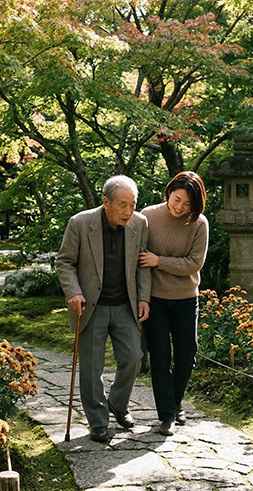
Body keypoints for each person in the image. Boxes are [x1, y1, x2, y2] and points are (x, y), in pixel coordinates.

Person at [55, 175, 151, 443]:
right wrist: (73, 291)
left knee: (133, 357)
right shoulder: (80, 223)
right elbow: (64, 262)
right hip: (91, 306)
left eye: (132, 204)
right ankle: (98, 421)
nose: (128, 211)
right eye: (122, 205)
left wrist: (144, 298)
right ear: (106, 202)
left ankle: (118, 405)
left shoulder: (140, 224)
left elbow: (143, 264)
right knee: (91, 367)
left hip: (125, 304)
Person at [138, 171, 208, 436]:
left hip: (185, 298)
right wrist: (142, 296)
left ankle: (175, 401)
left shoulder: (199, 224)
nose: (179, 207)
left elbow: (194, 263)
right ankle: (167, 416)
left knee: (187, 356)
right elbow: (140, 259)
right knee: (159, 359)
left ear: (196, 205)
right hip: (155, 299)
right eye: (176, 199)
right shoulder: (148, 215)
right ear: (169, 192)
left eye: (187, 204)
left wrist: (160, 261)